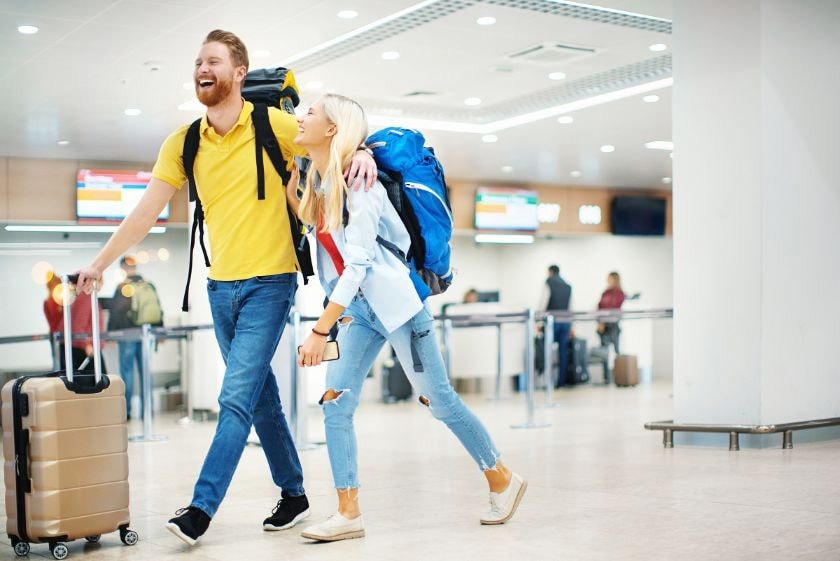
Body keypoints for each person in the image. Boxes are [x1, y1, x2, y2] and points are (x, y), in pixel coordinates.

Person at [76, 29, 376, 546]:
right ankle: (295, 493)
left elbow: (331, 136)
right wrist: (101, 263)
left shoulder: (272, 124)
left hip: (271, 284)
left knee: (235, 396)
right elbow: (146, 210)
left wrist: (366, 151)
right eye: (197, 61)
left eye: (212, 60)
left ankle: (201, 507)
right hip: (220, 289)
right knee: (260, 398)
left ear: (239, 74)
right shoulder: (185, 141)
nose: (201, 68)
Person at [287, 93, 526, 542]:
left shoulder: (360, 184)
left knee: (439, 400)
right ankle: (348, 511)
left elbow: (357, 264)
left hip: (399, 309)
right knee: (336, 403)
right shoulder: (321, 182)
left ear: (333, 128)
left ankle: (501, 478)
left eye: (311, 113)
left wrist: (321, 329)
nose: (301, 118)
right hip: (359, 310)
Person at [108, 255, 160, 420]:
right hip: (146, 334)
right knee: (146, 372)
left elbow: (116, 312)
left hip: (128, 334)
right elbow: (158, 308)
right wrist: (160, 332)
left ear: (123, 268)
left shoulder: (123, 287)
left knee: (127, 373)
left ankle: (127, 412)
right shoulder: (149, 285)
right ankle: (148, 411)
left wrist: (110, 334)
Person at [539, 265, 572, 388]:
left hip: (552, 321)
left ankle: (548, 382)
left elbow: (543, 301)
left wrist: (538, 321)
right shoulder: (568, 286)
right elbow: (571, 305)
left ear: (550, 272)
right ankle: (561, 381)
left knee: (546, 350)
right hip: (565, 321)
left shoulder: (549, 282)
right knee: (562, 352)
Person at [597, 271, 625, 355]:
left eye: (609, 278)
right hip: (604, 323)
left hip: (613, 323)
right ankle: (606, 368)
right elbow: (600, 306)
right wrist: (600, 322)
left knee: (616, 348)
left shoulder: (619, 293)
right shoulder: (605, 292)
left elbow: (612, 307)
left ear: (615, 279)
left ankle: (619, 367)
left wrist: (603, 321)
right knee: (603, 349)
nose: (607, 280)